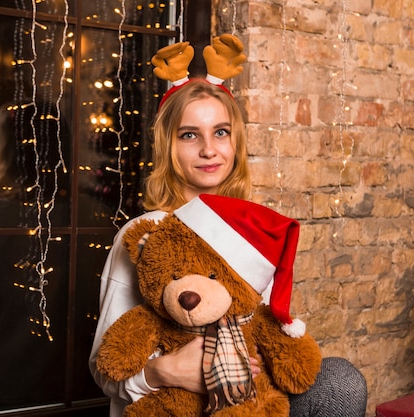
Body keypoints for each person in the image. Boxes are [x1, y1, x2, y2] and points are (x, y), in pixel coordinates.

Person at [88, 35, 367, 417]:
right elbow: (105, 369)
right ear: (169, 144)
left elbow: (265, 332)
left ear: (235, 141)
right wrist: (163, 371)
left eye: (220, 132)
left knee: (341, 380)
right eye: (190, 135)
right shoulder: (147, 233)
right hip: (167, 407)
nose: (208, 149)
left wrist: (258, 362)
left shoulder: (251, 230)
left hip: (244, 401)